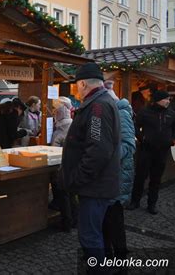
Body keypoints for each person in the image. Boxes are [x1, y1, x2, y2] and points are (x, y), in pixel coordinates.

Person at [57, 62, 120, 273]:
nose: (75, 90)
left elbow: (98, 149)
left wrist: (77, 178)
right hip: (97, 185)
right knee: (94, 234)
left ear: (83, 83)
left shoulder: (98, 107)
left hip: (94, 186)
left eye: (76, 86)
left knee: (90, 236)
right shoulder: (99, 102)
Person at [127, 90, 175, 214]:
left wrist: (173, 140)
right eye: (166, 99)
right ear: (158, 100)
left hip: (162, 152)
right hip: (146, 150)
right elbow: (134, 126)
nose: (168, 101)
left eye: (169, 99)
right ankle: (135, 201)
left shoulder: (171, 113)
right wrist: (142, 138)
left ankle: (152, 204)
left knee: (156, 179)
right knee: (140, 177)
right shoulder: (145, 112)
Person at [102, 82, 136, 272]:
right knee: (107, 219)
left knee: (114, 219)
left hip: (117, 176)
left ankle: (120, 258)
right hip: (110, 176)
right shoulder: (110, 110)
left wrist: (103, 154)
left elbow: (128, 146)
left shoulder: (121, 111)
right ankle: (107, 257)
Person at [49, 96, 78, 232]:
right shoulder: (74, 125)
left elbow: (54, 151)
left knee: (63, 195)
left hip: (62, 167)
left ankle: (67, 222)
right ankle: (75, 220)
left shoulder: (60, 129)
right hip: (74, 165)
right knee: (71, 194)